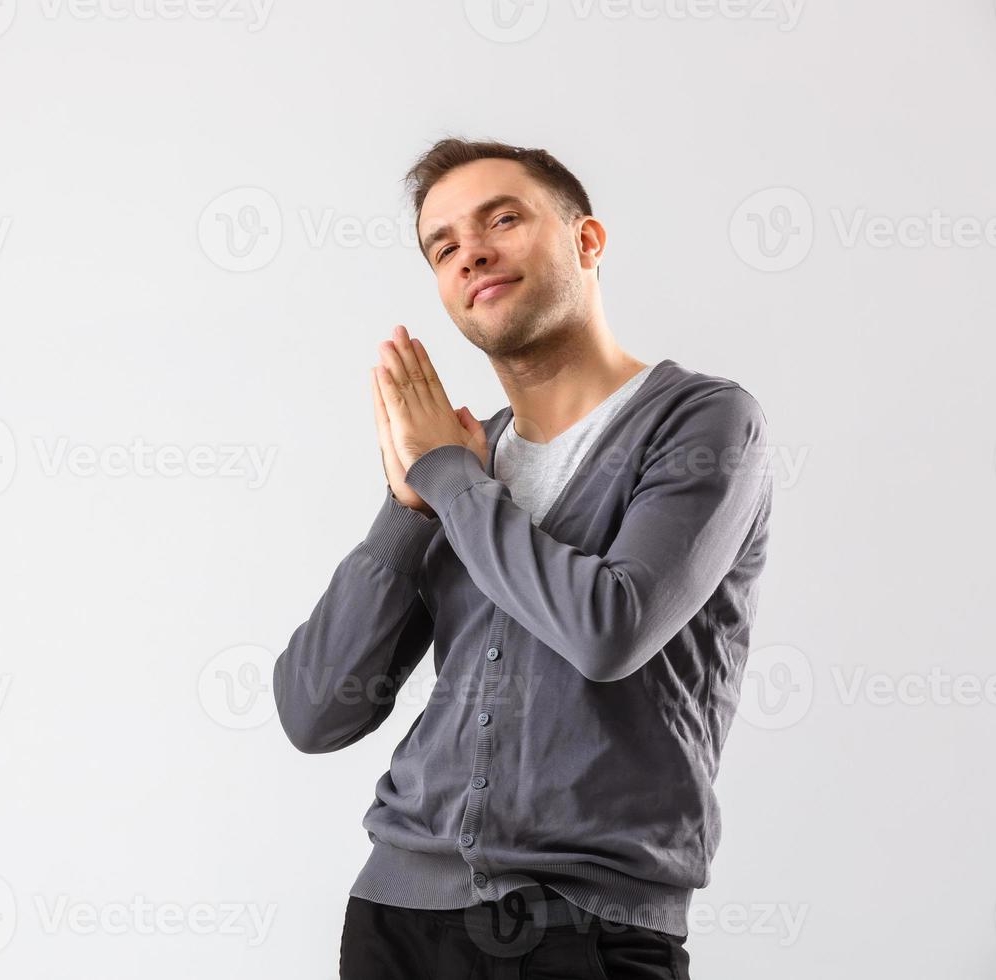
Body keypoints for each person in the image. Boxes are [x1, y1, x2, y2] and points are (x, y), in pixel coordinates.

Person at [272, 137, 776, 979]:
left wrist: (447, 479)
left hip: (587, 929)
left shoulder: (704, 423)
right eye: (443, 246)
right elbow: (314, 710)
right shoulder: (465, 460)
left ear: (586, 242)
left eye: (502, 218)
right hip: (395, 918)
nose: (470, 250)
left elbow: (609, 629)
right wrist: (408, 512)